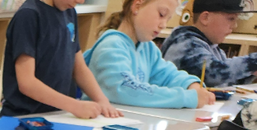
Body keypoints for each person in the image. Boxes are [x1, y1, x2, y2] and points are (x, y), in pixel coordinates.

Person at [1, 0, 123, 118]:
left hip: (57, 115)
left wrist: (102, 100)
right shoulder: (29, 15)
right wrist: (75, 106)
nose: (80, 1)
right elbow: (27, 83)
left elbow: (79, 68)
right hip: (24, 117)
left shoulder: (70, 12)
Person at [84, 0, 215, 107]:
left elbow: (167, 75)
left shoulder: (148, 48)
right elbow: (125, 90)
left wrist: (192, 85)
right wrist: (186, 97)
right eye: (161, 15)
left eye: (168, 19)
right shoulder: (111, 45)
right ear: (137, 6)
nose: (163, 25)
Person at [162, 0, 257, 87]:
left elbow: (225, 83)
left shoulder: (213, 48)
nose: (235, 25)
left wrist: (251, 72)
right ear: (205, 18)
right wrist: (253, 62)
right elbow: (211, 74)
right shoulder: (185, 44)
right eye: (231, 18)